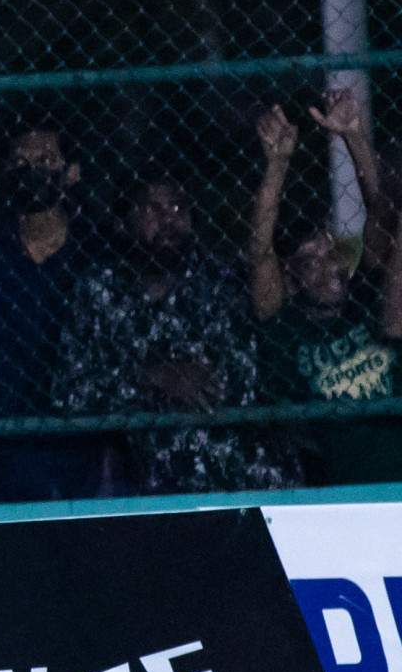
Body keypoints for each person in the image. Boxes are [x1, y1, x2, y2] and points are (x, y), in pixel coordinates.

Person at [56, 175, 299, 495]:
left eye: (177, 206)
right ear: (122, 222)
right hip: (164, 493)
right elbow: (70, 392)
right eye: (153, 209)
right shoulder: (99, 291)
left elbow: (252, 369)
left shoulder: (223, 279)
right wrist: (153, 378)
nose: (169, 219)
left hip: (256, 480)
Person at [0, 112, 105, 502]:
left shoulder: (97, 248)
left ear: (72, 171)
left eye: (46, 161)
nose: (31, 172)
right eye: (19, 164)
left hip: (85, 438)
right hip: (1, 437)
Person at [249, 96, 402, 486]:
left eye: (329, 247)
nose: (330, 262)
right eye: (311, 257)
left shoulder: (365, 298)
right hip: (343, 493)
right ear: (291, 273)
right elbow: (261, 250)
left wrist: (354, 137)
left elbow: (379, 213)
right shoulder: (286, 329)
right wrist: (278, 165)